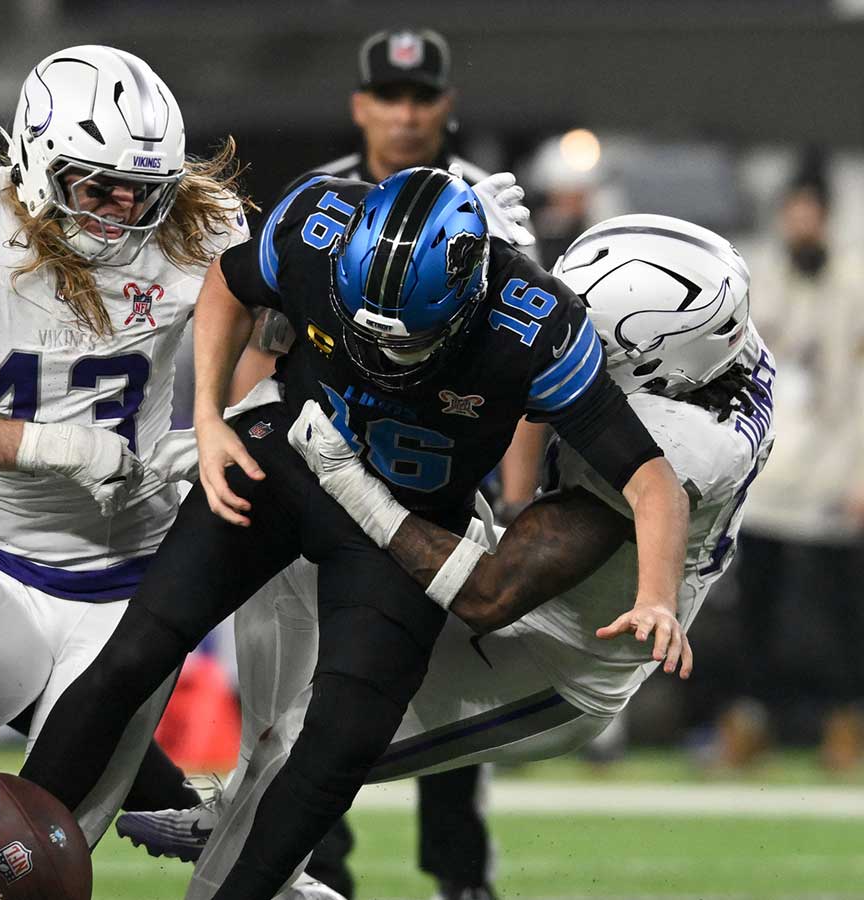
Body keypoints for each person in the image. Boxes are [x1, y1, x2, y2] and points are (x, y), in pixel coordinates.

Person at [12, 164, 691, 900]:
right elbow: (229, 285)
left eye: (405, 341)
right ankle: (12, 863)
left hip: (406, 526)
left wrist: (657, 594)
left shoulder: (533, 324)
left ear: (466, 301)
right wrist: (207, 416)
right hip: (293, 454)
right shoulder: (317, 225)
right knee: (138, 646)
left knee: (340, 743)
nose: (381, 353)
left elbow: (650, 479)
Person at [0, 45, 254, 900]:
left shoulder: (201, 230)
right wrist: (58, 447)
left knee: (49, 842)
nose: (124, 214)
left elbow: (262, 370)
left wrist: (223, 430)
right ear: (33, 162)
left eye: (142, 192)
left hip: (134, 593)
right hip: (4, 566)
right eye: (98, 187)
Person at [195, 29, 530, 899]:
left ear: (444, 106)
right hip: (328, 467)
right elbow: (262, 334)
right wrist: (245, 428)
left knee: (447, 690)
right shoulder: (328, 200)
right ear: (362, 105)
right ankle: (313, 869)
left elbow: (529, 370)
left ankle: (461, 876)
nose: (407, 114)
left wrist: (521, 497)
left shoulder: (485, 211)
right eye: (391, 96)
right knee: (319, 691)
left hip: (446, 481)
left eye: (422, 99)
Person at [720, 166, 864, 770]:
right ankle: (752, 721)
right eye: (795, 210)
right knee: (757, 605)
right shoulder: (759, 279)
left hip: (833, 466)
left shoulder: (854, 285)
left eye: (813, 210)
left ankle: (847, 722)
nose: (802, 222)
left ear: (827, 218)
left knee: (841, 608)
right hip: (770, 468)